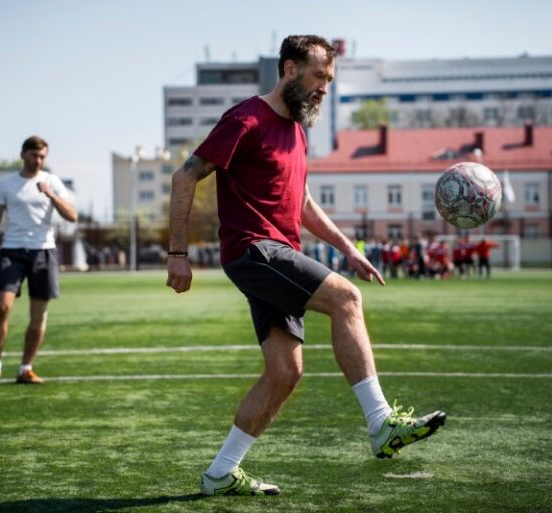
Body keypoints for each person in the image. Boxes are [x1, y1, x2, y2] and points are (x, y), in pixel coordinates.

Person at [166, 35, 445, 497]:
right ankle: (381, 424)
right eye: (319, 77)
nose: (324, 89)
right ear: (291, 70)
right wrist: (178, 255)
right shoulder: (244, 118)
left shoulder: (296, 129)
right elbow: (184, 176)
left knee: (285, 373)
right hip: (255, 249)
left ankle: (220, 473)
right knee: (347, 299)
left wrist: (348, 249)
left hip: (278, 252)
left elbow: (303, 204)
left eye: (329, 81)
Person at [0, 136, 77, 387]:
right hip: (11, 251)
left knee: (39, 316)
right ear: (23, 154)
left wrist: (51, 194)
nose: (38, 160)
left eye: (43, 156)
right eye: (34, 155)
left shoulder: (52, 182)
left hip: (44, 252)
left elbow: (72, 216)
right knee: (2, 308)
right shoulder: (6, 183)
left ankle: (26, 368)